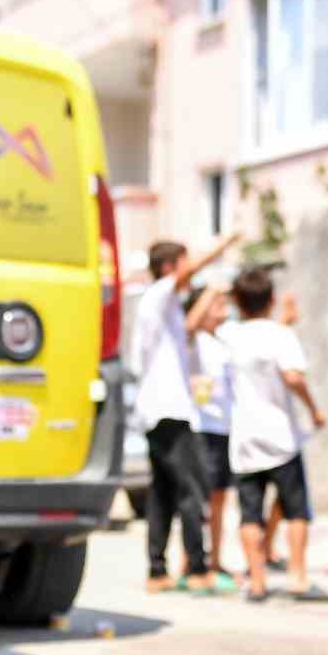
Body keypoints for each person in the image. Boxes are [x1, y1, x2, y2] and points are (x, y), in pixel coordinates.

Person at [209, 269, 328, 603]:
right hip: (281, 437)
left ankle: (258, 580)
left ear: (238, 302)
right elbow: (292, 376)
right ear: (272, 299)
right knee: (296, 510)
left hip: (243, 439)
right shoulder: (280, 335)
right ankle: (298, 576)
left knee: (250, 512)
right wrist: (314, 408)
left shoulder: (230, 335)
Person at [132, 232, 240, 593]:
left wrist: (212, 290)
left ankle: (157, 570)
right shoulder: (158, 294)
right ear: (168, 267)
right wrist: (222, 247)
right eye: (184, 262)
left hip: (160, 409)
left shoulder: (167, 307)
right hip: (169, 410)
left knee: (163, 492)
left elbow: (191, 326)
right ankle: (197, 567)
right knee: (195, 487)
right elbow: (184, 277)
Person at [186, 282, 239, 594]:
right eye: (216, 305)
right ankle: (191, 558)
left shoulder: (224, 340)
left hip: (224, 428)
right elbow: (190, 323)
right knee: (198, 498)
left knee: (220, 497)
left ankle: (216, 559)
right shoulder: (193, 339)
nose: (222, 309)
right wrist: (210, 290)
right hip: (201, 426)